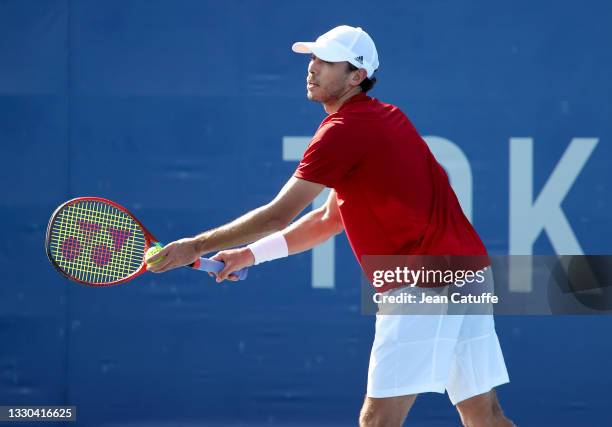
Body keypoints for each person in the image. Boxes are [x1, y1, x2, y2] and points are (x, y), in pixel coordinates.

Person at [148, 25, 514, 427]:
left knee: (378, 422)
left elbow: (277, 215)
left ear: (357, 76)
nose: (313, 67)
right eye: (313, 58)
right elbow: (327, 220)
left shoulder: (341, 132)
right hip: (469, 274)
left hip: (421, 283)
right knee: (484, 414)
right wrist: (249, 254)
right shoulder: (388, 118)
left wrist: (195, 245)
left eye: (327, 61)